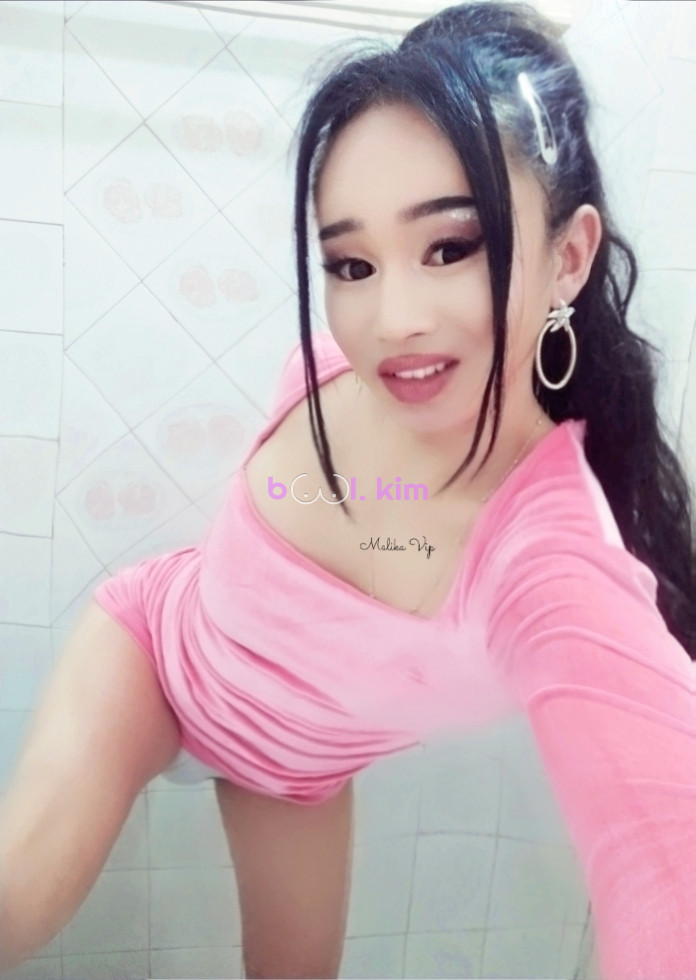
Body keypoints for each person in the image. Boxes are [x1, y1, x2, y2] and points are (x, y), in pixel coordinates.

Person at [2, 1, 695, 978]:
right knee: (15, 900)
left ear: (568, 257)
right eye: (352, 264)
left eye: (450, 247)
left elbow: (668, 855)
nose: (392, 319)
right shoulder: (330, 367)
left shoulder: (551, 562)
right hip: (153, 653)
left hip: (293, 775)